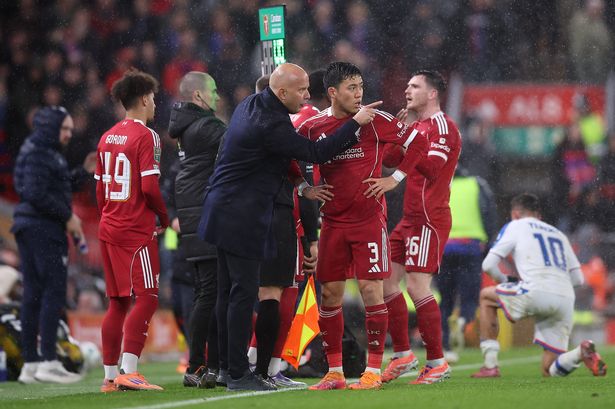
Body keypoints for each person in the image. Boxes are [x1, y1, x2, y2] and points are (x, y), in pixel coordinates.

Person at [198, 62, 380, 392]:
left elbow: (268, 156)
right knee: (241, 294)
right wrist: (355, 122)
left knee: (226, 293)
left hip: (220, 208)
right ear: (281, 93)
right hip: (242, 215)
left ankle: (225, 367)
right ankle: (239, 374)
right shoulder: (272, 123)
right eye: (301, 91)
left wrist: (299, 185)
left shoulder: (250, 105)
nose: (308, 96)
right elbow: (317, 151)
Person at [297, 61, 428, 390]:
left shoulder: (377, 121)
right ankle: (335, 373)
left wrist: (393, 179)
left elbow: (419, 144)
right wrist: (303, 188)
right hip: (333, 223)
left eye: (360, 87)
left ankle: (372, 370)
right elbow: (289, 159)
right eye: (351, 88)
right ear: (332, 93)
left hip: (369, 220)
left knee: (372, 290)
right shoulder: (313, 127)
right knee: (329, 295)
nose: (358, 94)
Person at [377, 70, 462, 384]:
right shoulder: (418, 126)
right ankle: (403, 355)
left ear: (432, 94)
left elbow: (432, 169)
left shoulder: (443, 127)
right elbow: (389, 159)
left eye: (414, 86)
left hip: (429, 218)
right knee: (386, 282)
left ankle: (437, 362)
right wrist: (400, 131)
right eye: (407, 84)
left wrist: (408, 135)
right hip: (408, 219)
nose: (407, 90)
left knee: (416, 287)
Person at [247, 74, 328, 389]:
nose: (305, 95)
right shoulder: (308, 122)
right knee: (282, 292)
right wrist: (312, 237)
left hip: (257, 216)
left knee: (259, 292)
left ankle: (250, 360)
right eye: (301, 90)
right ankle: (269, 366)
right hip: (285, 218)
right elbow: (305, 178)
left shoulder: (253, 119)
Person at [472, 193, 607, 378]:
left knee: (486, 297)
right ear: (538, 215)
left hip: (534, 291)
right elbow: (578, 280)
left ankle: (490, 366)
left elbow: (488, 265)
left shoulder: (516, 225)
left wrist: (507, 283)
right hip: (565, 298)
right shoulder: (558, 234)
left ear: (516, 214)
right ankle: (580, 353)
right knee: (549, 370)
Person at [95, 69, 169, 392]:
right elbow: (150, 187)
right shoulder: (146, 135)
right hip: (136, 230)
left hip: (109, 226)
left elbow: (98, 191)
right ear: (143, 99)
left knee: (117, 302)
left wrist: (111, 214)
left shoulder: (106, 136)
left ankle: (110, 377)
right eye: (153, 98)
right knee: (148, 297)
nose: (155, 104)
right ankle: (130, 370)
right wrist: (162, 216)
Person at [12, 105, 94, 384]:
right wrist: (68, 216)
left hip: (31, 226)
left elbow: (52, 187)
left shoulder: (40, 150)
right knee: (52, 293)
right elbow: (36, 194)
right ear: (51, 128)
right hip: (42, 229)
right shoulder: (39, 152)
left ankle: (31, 365)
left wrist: (83, 173)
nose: (70, 134)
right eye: (65, 128)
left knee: (33, 295)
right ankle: (47, 360)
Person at [168, 71, 225, 389]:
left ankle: (208, 365)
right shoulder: (208, 127)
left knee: (209, 292)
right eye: (213, 91)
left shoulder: (188, 128)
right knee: (212, 293)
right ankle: (202, 364)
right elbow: (242, 144)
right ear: (198, 97)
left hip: (195, 215)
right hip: (206, 216)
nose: (217, 96)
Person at [436, 166, 497, 363]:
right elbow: (489, 214)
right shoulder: (477, 184)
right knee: (470, 296)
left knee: (445, 299)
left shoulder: (442, 183)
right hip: (470, 247)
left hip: (444, 247)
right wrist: (488, 244)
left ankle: (445, 347)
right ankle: (463, 320)